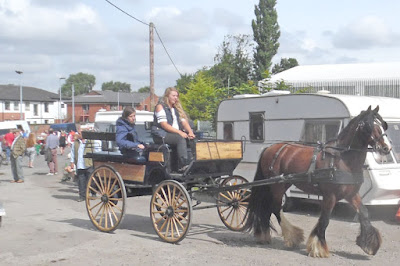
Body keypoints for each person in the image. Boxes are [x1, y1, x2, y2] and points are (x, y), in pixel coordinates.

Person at [151, 87, 195, 172]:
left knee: (193, 139)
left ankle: (194, 162)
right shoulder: (160, 107)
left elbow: (184, 122)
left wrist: (190, 132)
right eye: (174, 96)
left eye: (177, 96)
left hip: (174, 134)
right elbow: (164, 125)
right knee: (180, 138)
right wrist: (179, 132)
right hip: (161, 134)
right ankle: (183, 164)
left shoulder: (176, 109)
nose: (176, 98)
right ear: (167, 96)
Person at [70, 132, 94, 202]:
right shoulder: (76, 143)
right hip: (80, 164)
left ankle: (92, 192)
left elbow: (96, 150)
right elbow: (72, 152)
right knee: (81, 181)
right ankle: (82, 196)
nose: (79, 134)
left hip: (88, 164)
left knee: (90, 180)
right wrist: (72, 162)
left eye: (80, 133)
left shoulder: (90, 141)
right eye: (79, 133)